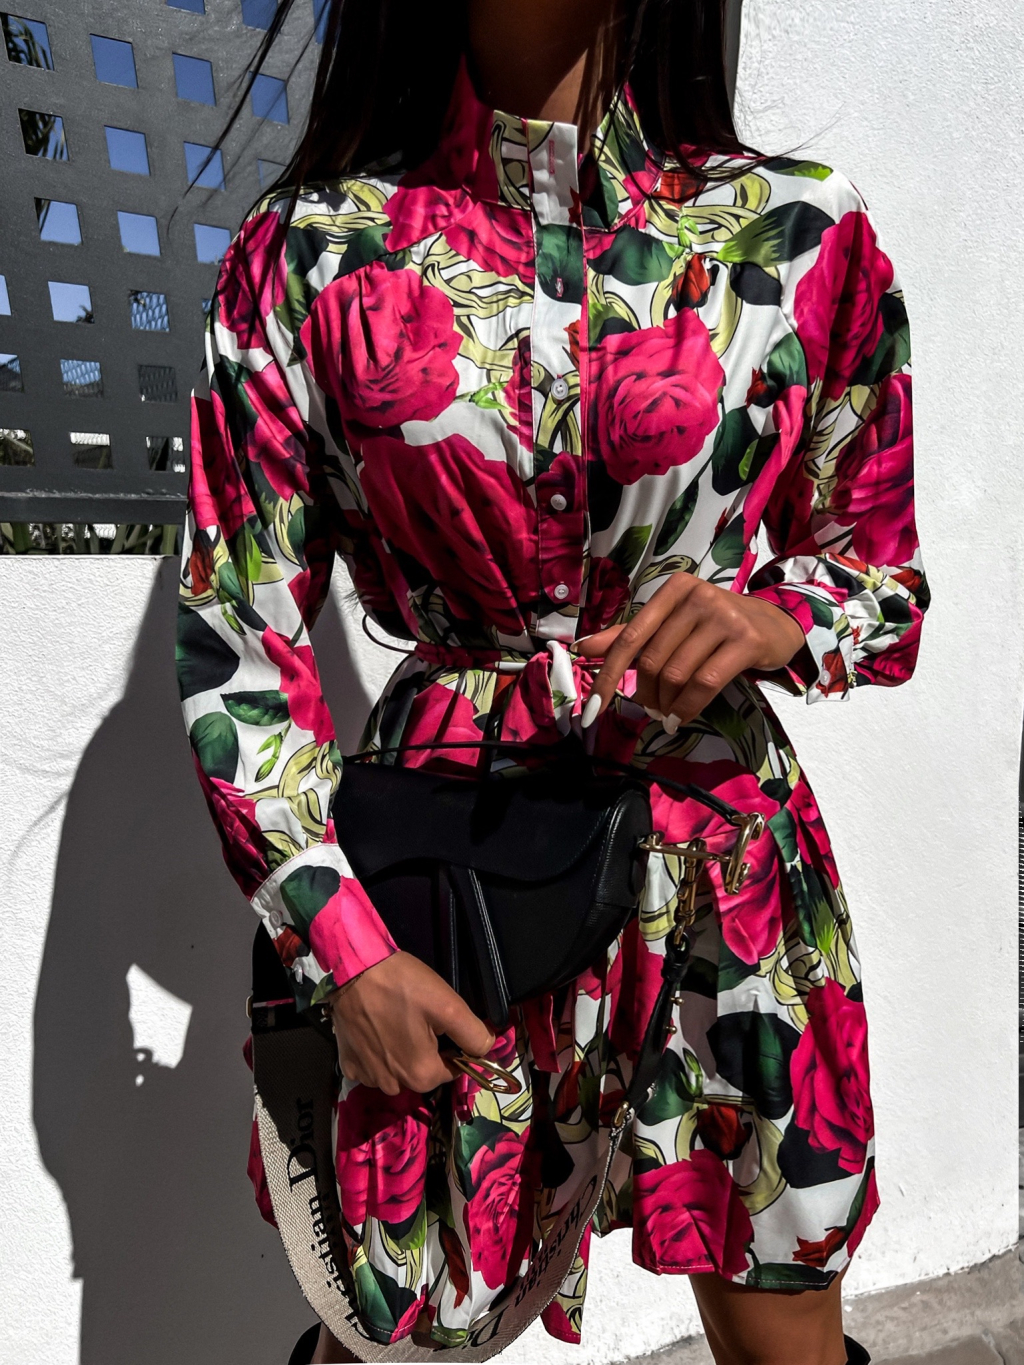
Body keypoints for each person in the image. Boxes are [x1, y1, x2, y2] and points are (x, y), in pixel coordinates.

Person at [175, 1, 926, 1361]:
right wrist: (342, 954)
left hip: (721, 865)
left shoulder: (800, 235)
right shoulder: (310, 253)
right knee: (399, 1328)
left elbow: (883, 583)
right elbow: (238, 638)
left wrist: (772, 616)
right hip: (446, 882)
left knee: (785, 1319)